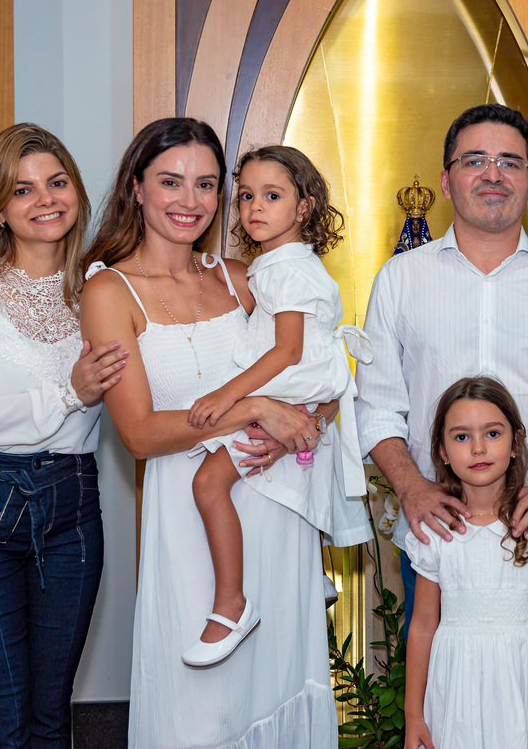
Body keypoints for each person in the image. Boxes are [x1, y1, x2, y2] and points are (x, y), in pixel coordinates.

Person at [79, 117, 337, 748]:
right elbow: (138, 433)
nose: (189, 201)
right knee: (202, 715)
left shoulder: (245, 280)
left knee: (278, 686)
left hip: (274, 509)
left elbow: (322, 376)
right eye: (171, 182)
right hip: (191, 519)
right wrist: (254, 410)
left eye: (206, 185)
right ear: (137, 188)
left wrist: (293, 425)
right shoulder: (109, 291)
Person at [355, 103, 528, 685]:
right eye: (474, 160)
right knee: (438, 706)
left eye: (510, 162)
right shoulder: (400, 280)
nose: (492, 173)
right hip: (438, 537)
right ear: (447, 180)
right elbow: (374, 406)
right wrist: (412, 488)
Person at [0, 123, 128, 748]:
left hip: (72, 506)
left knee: (51, 718)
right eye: (22, 189)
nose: (45, 198)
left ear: (76, 191)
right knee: (4, 724)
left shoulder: (100, 287)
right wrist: (68, 391)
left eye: (57, 181)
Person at [183, 144, 372, 667]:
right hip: (300, 390)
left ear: (304, 207)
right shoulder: (282, 263)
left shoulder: (288, 270)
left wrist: (230, 396)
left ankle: (230, 604)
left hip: (290, 389)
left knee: (208, 483)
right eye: (246, 196)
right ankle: (312, 570)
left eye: (272, 195)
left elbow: (287, 349)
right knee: (281, 477)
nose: (254, 208)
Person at [404, 376, 528, 749]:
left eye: (492, 433)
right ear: (442, 451)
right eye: (462, 437)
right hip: (453, 692)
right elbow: (423, 625)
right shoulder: (435, 533)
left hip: (521, 688)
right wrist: (413, 714)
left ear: (516, 442)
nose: (478, 448)